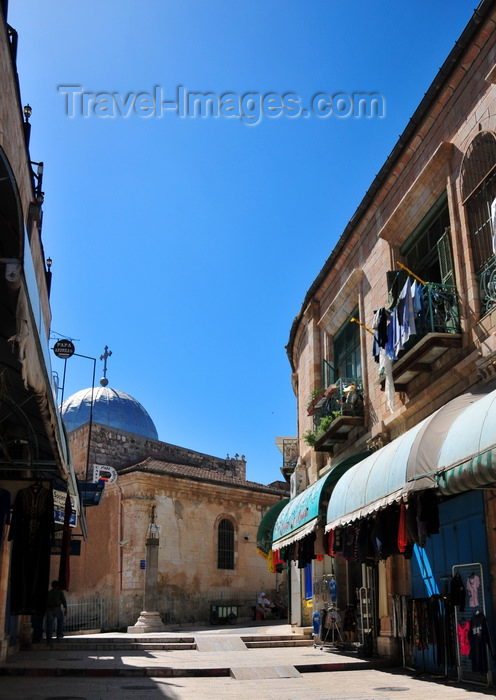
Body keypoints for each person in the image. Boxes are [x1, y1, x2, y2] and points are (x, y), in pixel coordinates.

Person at [45, 580, 67, 646]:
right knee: (60, 620)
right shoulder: (59, 592)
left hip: (49, 609)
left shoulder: (49, 593)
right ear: (57, 586)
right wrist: (66, 608)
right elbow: (63, 600)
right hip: (57, 608)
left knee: (49, 625)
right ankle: (59, 634)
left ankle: (49, 640)